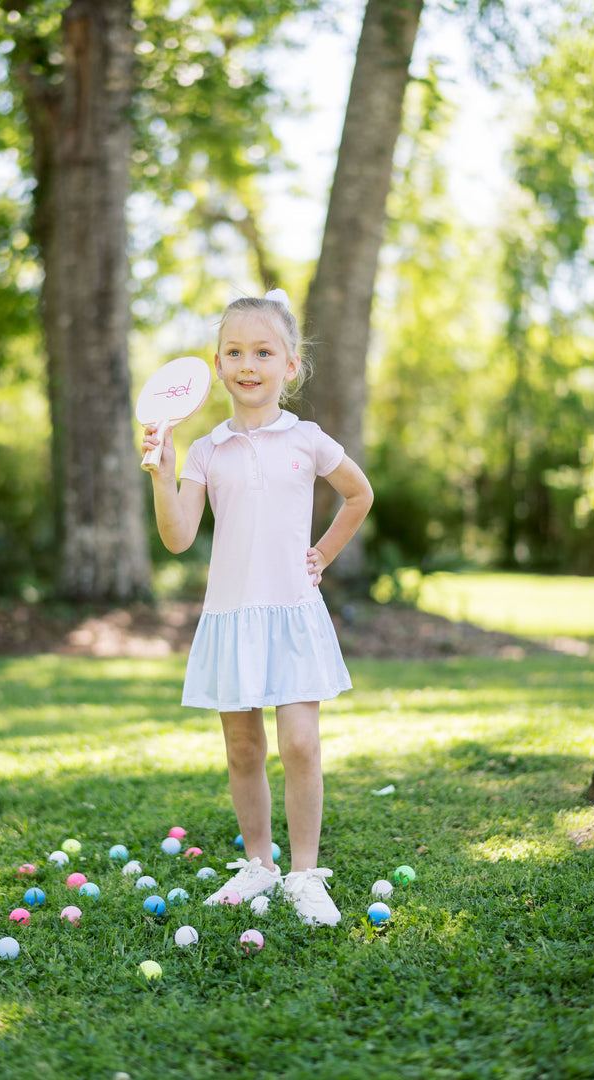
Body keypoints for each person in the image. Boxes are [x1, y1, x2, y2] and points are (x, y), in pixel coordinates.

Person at [141, 288, 373, 926]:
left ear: (291, 365)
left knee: (299, 743)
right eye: (235, 351)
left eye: (264, 352)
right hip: (231, 616)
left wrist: (321, 555)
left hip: (293, 613)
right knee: (244, 748)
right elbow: (178, 536)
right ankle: (258, 867)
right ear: (217, 364)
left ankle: (303, 874)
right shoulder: (206, 450)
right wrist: (163, 476)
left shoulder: (308, 439)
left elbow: (358, 495)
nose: (249, 364)